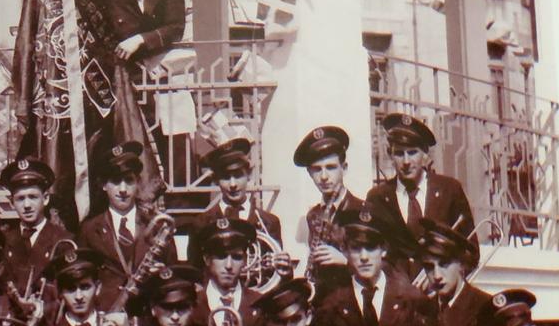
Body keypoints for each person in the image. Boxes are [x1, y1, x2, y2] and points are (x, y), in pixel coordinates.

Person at [312, 204, 436, 326]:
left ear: (383, 250)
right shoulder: (331, 307)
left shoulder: (411, 300)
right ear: (344, 251)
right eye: (356, 248)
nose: (363, 257)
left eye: (370, 248)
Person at [365, 113, 474, 277]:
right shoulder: (377, 197)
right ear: (390, 155)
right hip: (398, 296)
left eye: (412, 152)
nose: (406, 161)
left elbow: (471, 251)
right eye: (400, 154)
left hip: (440, 294)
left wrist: (449, 281)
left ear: (425, 155)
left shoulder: (449, 189)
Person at [81, 142, 177, 310]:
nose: (123, 189)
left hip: (149, 315)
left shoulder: (157, 226)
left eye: (129, 181)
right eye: (116, 182)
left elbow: (174, 274)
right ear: (104, 185)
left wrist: (163, 274)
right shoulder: (89, 230)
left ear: (138, 182)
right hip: (107, 314)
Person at [291, 126, 364, 299]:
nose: (324, 177)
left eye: (330, 167)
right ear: (310, 173)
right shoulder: (313, 215)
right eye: (317, 169)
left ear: (344, 168)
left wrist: (346, 261)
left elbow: (383, 267)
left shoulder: (363, 211)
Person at [191, 137, 283, 265]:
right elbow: (196, 275)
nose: (233, 184)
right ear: (216, 180)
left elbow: (275, 274)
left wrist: (285, 272)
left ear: (249, 175)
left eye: (238, 175)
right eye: (225, 177)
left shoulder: (269, 223)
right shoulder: (201, 224)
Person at [0, 157, 76, 303]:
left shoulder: (64, 242)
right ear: (12, 203)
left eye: (33, 197)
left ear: (45, 199)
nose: (27, 205)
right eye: (20, 199)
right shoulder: (2, 241)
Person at [190, 216, 264, 326]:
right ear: (207, 259)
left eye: (236, 257)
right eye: (221, 256)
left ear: (245, 260)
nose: (229, 265)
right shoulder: (192, 305)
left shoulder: (260, 304)